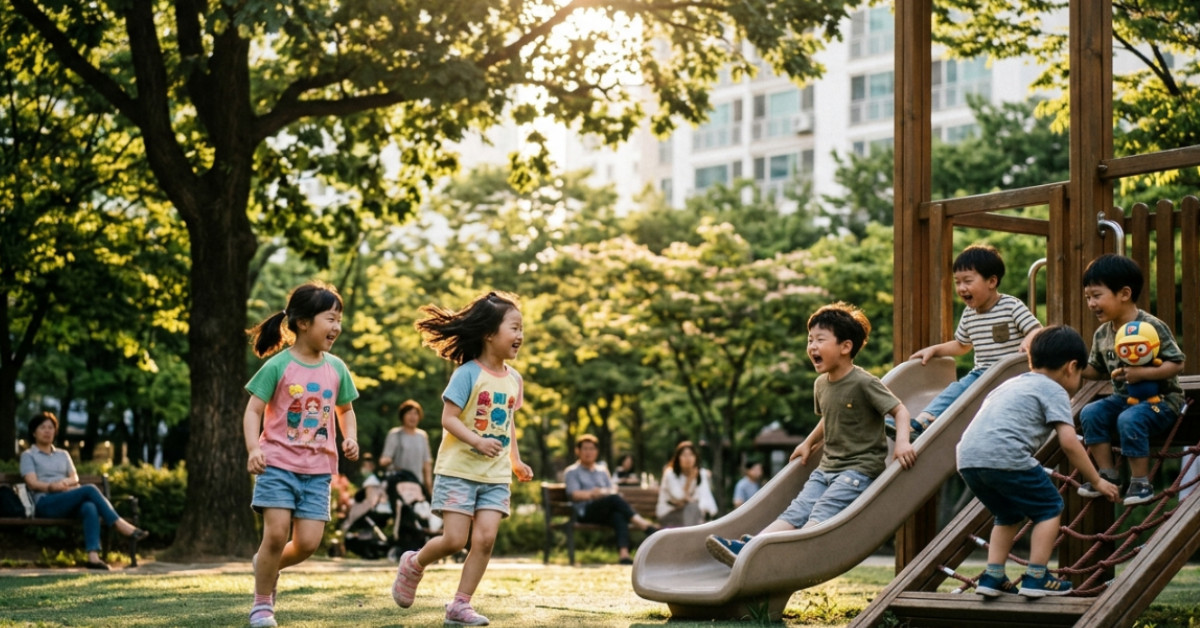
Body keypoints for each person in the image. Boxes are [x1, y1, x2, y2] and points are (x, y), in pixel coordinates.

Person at [706, 302, 917, 566]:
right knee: (796, 511)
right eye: (810, 340)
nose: (812, 347)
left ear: (845, 346)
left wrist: (902, 444)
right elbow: (828, 419)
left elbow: (901, 412)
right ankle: (749, 547)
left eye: (820, 340)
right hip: (827, 468)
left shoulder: (865, 383)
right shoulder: (821, 384)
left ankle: (786, 556)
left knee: (821, 512)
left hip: (858, 471)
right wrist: (808, 442)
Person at [392, 291, 534, 626]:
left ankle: (460, 604)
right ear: (489, 333)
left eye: (521, 329)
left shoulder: (515, 379)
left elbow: (507, 422)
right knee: (455, 540)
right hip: (458, 471)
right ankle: (414, 563)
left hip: (495, 475)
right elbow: (449, 419)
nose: (520, 336)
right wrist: (476, 440)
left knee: (484, 540)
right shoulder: (467, 373)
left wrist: (515, 460)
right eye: (513, 328)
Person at [958, 325, 1120, 597]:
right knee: (1049, 507)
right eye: (1080, 373)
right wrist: (1097, 480)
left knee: (1008, 514)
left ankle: (992, 576)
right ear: (1071, 367)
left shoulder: (1011, 383)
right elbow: (1069, 442)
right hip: (1005, 456)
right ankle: (1037, 577)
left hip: (967, 459)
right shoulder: (1054, 389)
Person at [243, 281, 360, 628]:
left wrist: (349, 437)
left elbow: (346, 410)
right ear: (304, 322)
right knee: (276, 535)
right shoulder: (278, 366)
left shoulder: (336, 368)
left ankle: (265, 564)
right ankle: (262, 604)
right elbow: (253, 411)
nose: (336, 327)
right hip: (277, 463)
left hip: (319, 469)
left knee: (308, 543)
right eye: (330, 318)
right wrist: (253, 449)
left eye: (339, 319)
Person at [894, 244, 1041, 440]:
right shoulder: (969, 314)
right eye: (957, 282)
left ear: (992, 281)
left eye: (968, 281)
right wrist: (934, 350)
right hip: (982, 374)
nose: (962, 288)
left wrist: (1028, 342)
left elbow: (1036, 330)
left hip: (1009, 375)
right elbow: (962, 345)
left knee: (960, 390)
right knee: (955, 389)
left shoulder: (1011, 306)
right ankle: (922, 423)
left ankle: (922, 424)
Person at [1076, 254, 1186, 506]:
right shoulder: (1103, 333)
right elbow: (1096, 369)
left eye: (1096, 295)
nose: (1091, 303)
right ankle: (1108, 474)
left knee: (1130, 418)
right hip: (1124, 399)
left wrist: (1144, 374)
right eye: (1087, 298)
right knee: (1090, 412)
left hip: (1161, 402)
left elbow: (1177, 362)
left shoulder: (1150, 326)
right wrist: (1071, 364)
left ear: (1124, 294)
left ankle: (1140, 482)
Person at [19, 411, 149, 571]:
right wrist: (51, 487)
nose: (47, 431)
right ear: (34, 432)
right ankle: (120, 524)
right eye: (43, 427)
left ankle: (93, 558)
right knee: (89, 489)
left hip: (67, 499)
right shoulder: (28, 455)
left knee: (90, 507)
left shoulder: (63, 454)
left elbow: (74, 478)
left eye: (51, 427)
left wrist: (64, 483)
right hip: (45, 503)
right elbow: (32, 483)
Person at [564, 435, 659, 564]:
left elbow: (612, 489)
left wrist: (603, 493)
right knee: (614, 500)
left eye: (591, 449)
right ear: (578, 451)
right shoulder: (572, 471)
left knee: (618, 514)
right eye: (585, 449)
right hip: (585, 512)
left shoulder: (602, 471)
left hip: (606, 509)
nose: (588, 452)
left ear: (596, 451)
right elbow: (574, 494)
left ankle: (624, 555)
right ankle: (644, 525)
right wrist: (593, 494)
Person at [656, 441, 718, 527]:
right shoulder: (670, 474)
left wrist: (687, 500)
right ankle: (692, 538)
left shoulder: (699, 474)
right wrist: (689, 481)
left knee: (695, 510)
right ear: (678, 458)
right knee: (693, 509)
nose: (688, 458)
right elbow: (679, 496)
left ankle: (693, 537)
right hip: (668, 514)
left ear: (696, 457)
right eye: (684, 455)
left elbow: (701, 497)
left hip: (689, 513)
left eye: (691, 455)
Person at [379, 399, 434, 495]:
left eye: (415, 413)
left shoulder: (422, 436)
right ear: (402, 415)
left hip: (417, 484)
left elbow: (427, 462)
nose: (413, 417)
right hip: (398, 483)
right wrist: (385, 461)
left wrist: (429, 486)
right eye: (409, 413)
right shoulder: (395, 434)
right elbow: (385, 457)